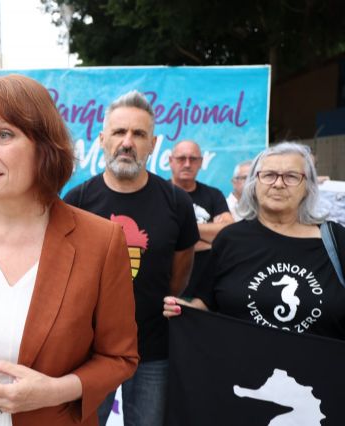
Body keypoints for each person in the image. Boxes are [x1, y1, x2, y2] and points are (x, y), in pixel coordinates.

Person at [0, 74, 139, 426]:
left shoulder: (101, 241)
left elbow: (119, 357)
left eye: (3, 135)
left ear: (44, 146)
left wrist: (53, 390)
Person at [64, 90, 199, 426]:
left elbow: (179, 271)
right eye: (118, 132)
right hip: (89, 352)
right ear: (101, 139)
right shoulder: (76, 201)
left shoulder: (176, 202)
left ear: (153, 144)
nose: (127, 142)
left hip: (153, 351)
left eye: (138, 134)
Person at [164, 142, 345, 341]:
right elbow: (206, 303)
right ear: (254, 184)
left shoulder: (335, 240)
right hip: (242, 368)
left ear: (308, 187)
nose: (278, 183)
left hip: (320, 369)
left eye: (291, 176)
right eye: (268, 175)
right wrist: (182, 309)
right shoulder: (230, 239)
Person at [169, 140, 233, 297]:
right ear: (171, 161)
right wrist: (209, 241)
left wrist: (183, 231)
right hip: (168, 285)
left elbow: (228, 233)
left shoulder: (214, 195)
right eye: (181, 158)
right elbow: (163, 238)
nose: (187, 164)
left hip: (207, 288)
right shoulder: (159, 194)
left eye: (193, 159)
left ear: (201, 162)